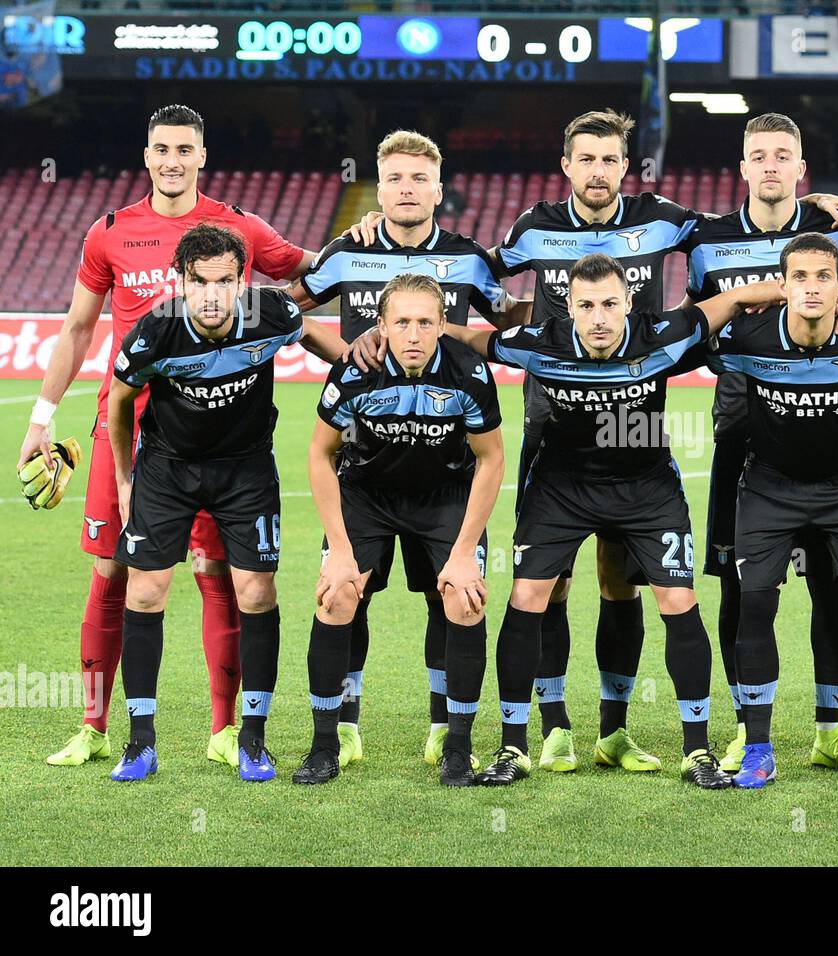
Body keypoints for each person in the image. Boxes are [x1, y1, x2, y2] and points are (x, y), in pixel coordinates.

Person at [19, 105, 317, 770]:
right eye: (162, 148)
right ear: (146, 155)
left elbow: (310, 276)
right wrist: (40, 421)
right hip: (123, 425)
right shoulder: (110, 232)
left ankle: (225, 729)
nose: (173, 160)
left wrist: (374, 254)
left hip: (210, 429)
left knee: (221, 575)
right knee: (112, 574)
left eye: (185, 148)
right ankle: (95, 727)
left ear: (202, 156)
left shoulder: (238, 226)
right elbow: (74, 329)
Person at [442, 252, 785, 789]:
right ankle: (514, 745)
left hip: (647, 488)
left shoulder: (663, 334)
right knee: (529, 597)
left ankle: (697, 750)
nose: (598, 317)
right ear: (569, 308)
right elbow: (478, 342)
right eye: (585, 306)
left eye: (609, 304)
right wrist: (431, 324)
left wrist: (806, 292)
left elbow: (734, 299)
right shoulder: (540, 342)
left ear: (629, 303)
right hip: (561, 487)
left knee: (678, 600)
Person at [289, 129, 528, 770]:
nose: (406, 188)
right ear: (379, 183)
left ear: (439, 190)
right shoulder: (347, 250)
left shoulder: (470, 260)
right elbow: (286, 309)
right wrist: (343, 355)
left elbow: (511, 321)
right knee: (343, 590)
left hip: (444, 471)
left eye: (419, 178)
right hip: (364, 464)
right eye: (394, 177)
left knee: (452, 593)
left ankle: (444, 733)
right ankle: (337, 730)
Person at [105, 224, 347, 782]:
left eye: (225, 281)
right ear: (180, 281)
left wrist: (359, 364)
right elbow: (120, 399)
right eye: (199, 282)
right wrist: (124, 481)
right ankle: (141, 741)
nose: (212, 295)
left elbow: (313, 337)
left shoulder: (270, 314)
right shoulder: (155, 333)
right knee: (145, 588)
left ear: (243, 281)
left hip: (245, 469)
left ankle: (253, 739)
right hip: (167, 470)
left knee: (257, 591)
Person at [679, 112, 838, 775]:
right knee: (743, 590)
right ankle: (746, 727)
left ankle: (830, 727)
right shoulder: (706, 243)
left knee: (832, 585)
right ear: (741, 168)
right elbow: (700, 325)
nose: (769, 165)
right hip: (741, 430)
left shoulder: (836, 237)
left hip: (828, 431)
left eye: (781, 154)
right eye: (756, 155)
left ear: (800, 170)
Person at [708, 233, 838, 793]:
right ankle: (758, 748)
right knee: (753, 608)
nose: (813, 287)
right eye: (801, 277)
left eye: (825, 276)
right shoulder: (749, 335)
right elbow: (683, 331)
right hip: (771, 490)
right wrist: (749, 295)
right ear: (784, 284)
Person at [299, 273, 504, 786]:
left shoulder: (469, 372)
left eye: (425, 323)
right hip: (367, 495)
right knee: (338, 596)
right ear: (382, 326)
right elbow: (321, 455)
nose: (413, 334)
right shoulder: (354, 372)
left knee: (462, 597)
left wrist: (461, 554)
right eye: (402, 323)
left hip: (445, 497)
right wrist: (341, 552)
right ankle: (328, 741)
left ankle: (455, 742)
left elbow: (492, 459)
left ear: (442, 326)